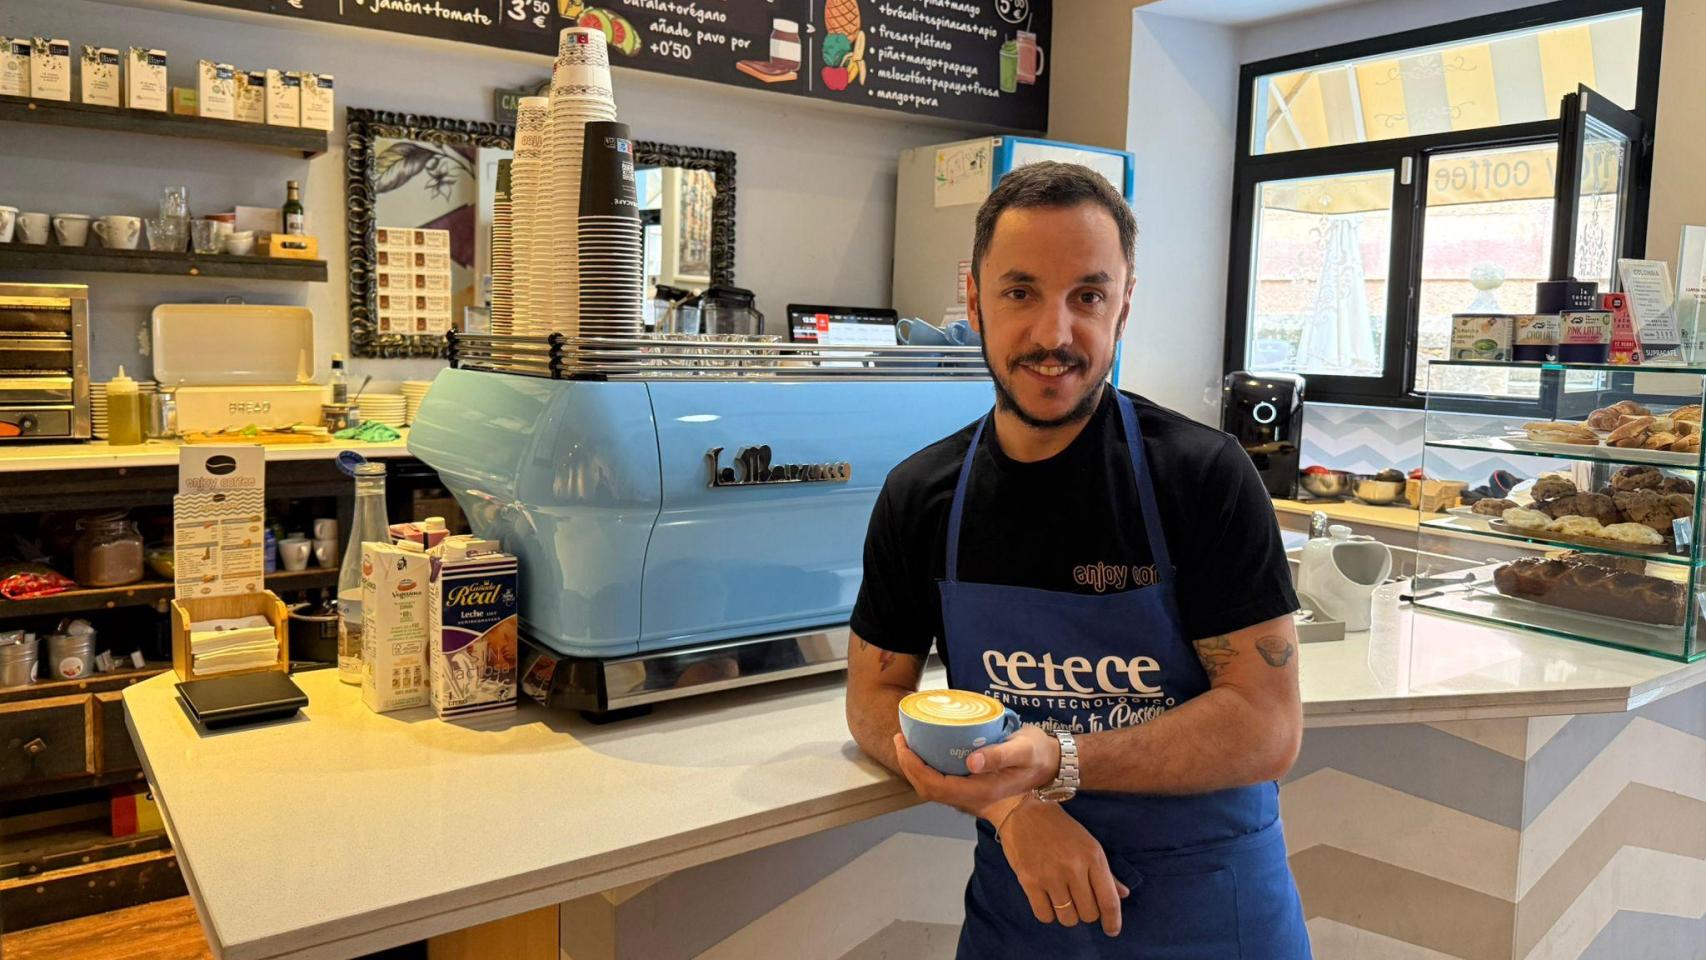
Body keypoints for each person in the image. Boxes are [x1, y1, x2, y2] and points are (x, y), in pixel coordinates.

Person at [844, 161, 1311, 957]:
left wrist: (1056, 760)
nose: (1054, 334)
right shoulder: (923, 496)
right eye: (1021, 292)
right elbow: (874, 700)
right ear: (973, 301)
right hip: (1023, 912)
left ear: (1123, 306)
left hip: (1213, 909)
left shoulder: (1201, 476)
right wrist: (1014, 811)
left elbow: (1266, 726)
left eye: (1087, 296)